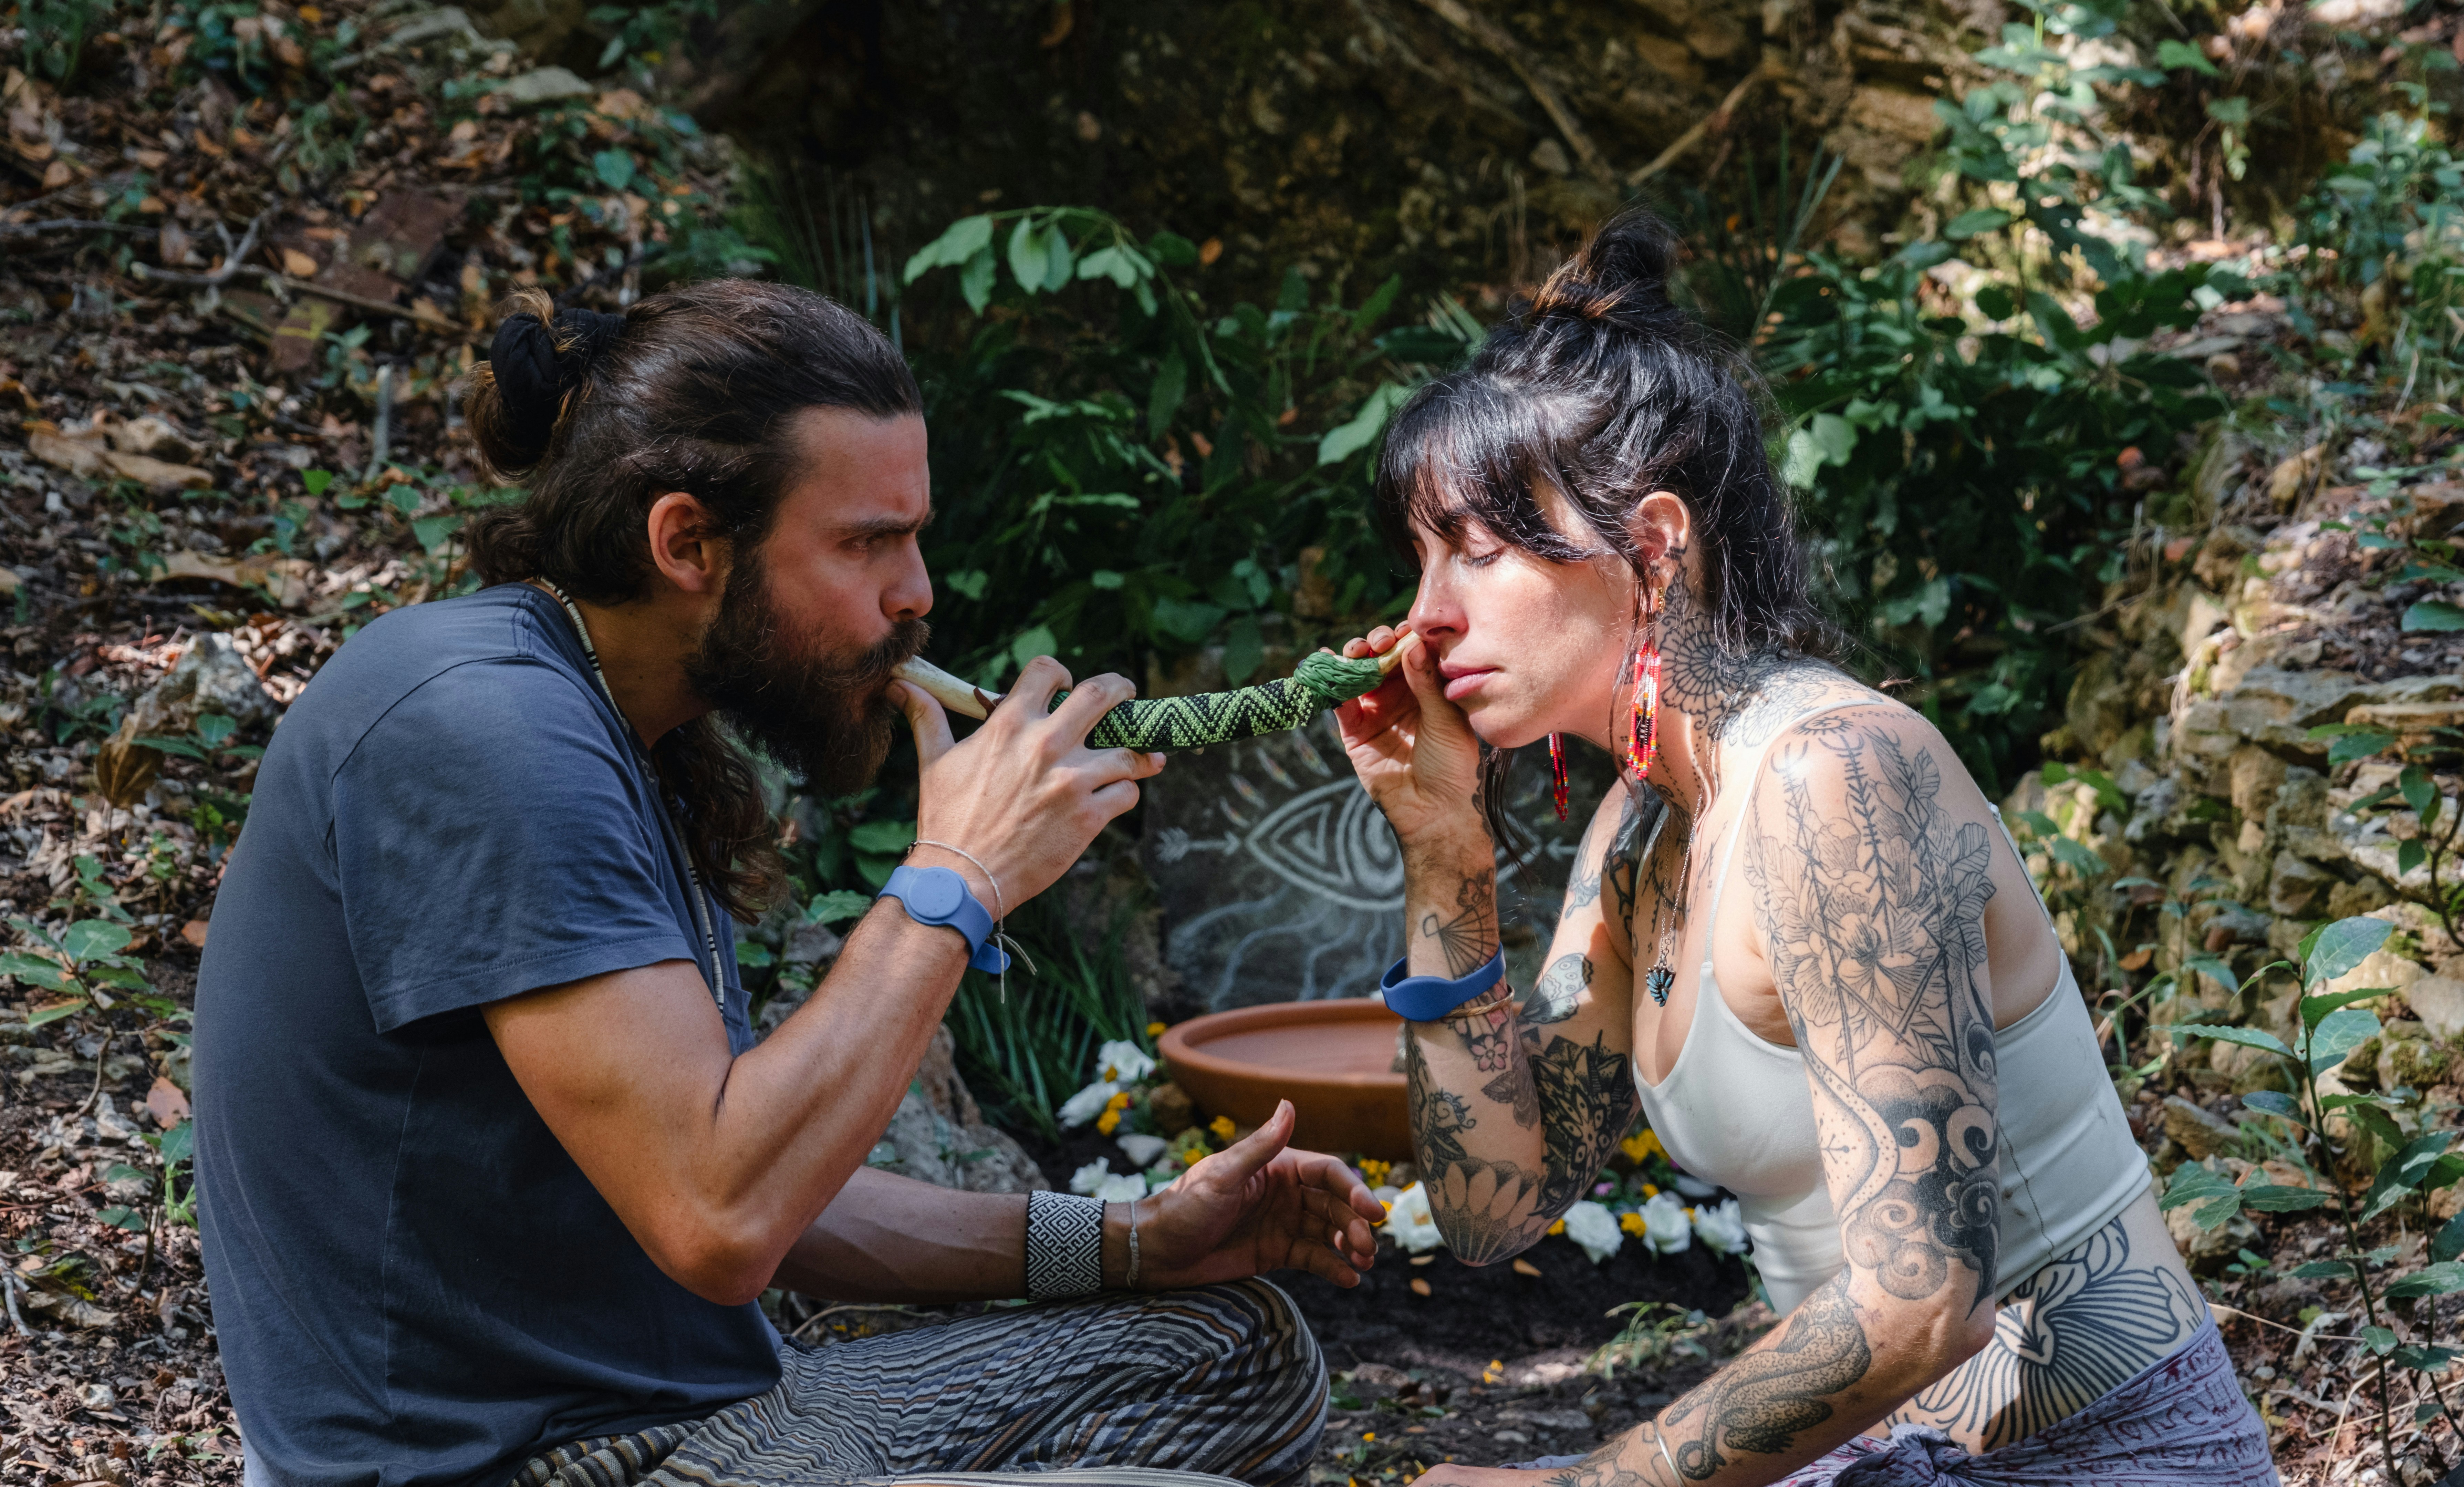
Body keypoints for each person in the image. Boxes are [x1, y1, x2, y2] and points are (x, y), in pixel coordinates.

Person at [194, 280, 1384, 1487]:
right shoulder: (484, 731)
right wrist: (955, 882)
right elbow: (720, 1219)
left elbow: (777, 1190)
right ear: (687, 544)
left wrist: (1132, 1243)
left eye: (913, 537)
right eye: (867, 543)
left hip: (727, 1415)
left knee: (1235, 1348)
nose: (916, 593)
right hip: (548, 1467)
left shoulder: (615, 730)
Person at [1332, 214, 2279, 1486]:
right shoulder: (1639, 831)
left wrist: (1577, 1486)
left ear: (1653, 549)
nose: (1426, 619)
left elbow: (1923, 1304)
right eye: (1423, 559)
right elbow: (1496, 1203)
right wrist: (1444, 853)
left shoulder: (1842, 779)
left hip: (2097, 1462)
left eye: (1481, 553)